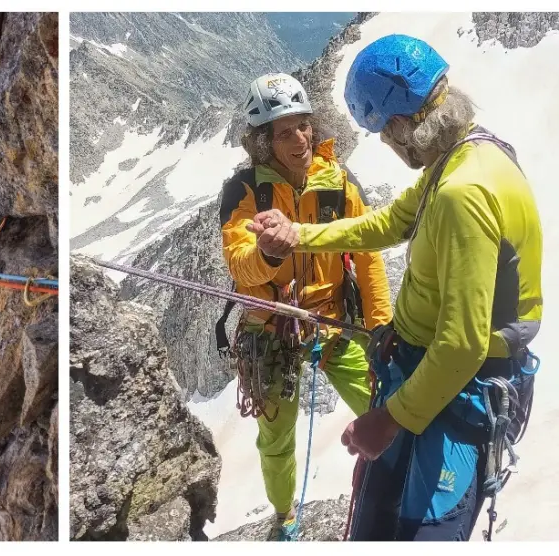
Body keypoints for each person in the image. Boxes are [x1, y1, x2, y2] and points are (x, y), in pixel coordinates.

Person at [246, 34, 543, 541]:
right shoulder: (471, 153)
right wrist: (298, 235)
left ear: (406, 126)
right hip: (435, 379)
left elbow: (463, 344)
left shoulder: (461, 193)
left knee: (415, 529)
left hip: (455, 392)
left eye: (385, 131)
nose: (385, 142)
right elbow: (387, 224)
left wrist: (388, 420)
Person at [219, 72, 393, 541]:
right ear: (263, 142)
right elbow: (241, 268)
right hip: (271, 329)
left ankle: (398, 487)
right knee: (276, 439)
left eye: (303, 125)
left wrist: (382, 329)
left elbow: (368, 254)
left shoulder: (339, 183)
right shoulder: (244, 192)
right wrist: (268, 253)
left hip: (333, 322)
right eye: (283, 132)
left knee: (387, 405)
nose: (299, 139)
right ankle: (283, 516)